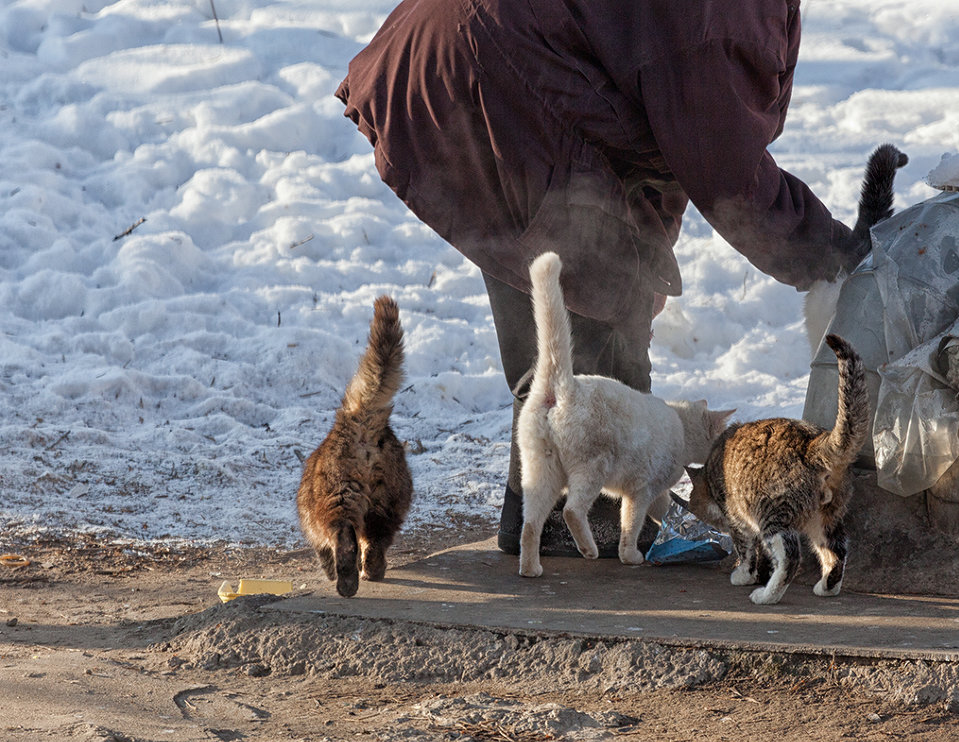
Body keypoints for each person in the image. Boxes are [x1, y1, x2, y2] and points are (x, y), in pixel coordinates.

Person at [335, 0, 868, 556]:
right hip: (495, 77)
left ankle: (545, 514)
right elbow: (720, 162)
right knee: (597, 309)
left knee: (574, 300)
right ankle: (594, 521)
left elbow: (662, 125)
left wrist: (651, 246)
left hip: (473, 60)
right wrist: (826, 254)